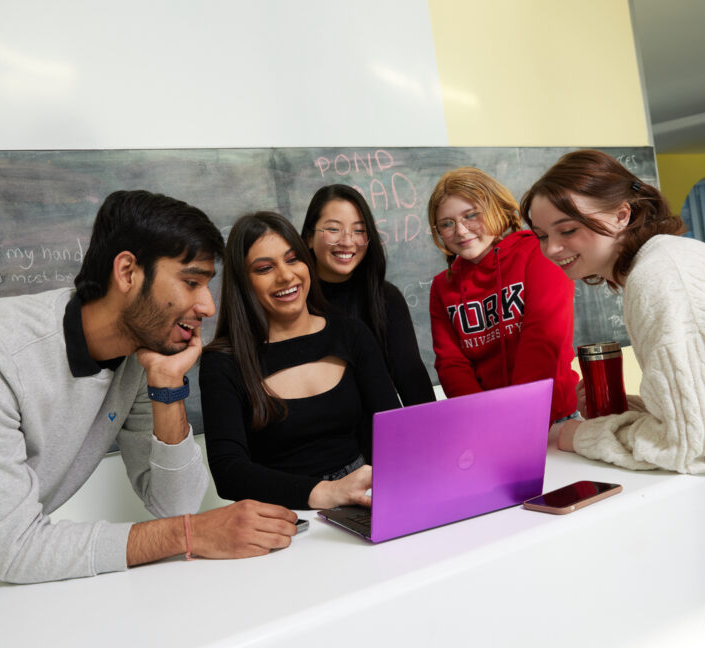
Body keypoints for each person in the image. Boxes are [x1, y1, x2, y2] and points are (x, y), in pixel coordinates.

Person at [0, 190, 300, 610]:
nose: (208, 307)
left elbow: (174, 503)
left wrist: (167, 386)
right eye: (192, 282)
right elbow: (17, 548)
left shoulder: (139, 357)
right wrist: (192, 536)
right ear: (127, 271)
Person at [521, 149, 705, 564]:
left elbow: (689, 445)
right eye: (543, 236)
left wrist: (579, 436)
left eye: (568, 230)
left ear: (622, 215)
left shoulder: (658, 278)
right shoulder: (673, 257)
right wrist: (629, 410)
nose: (552, 249)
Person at [199, 211, 401, 510]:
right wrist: (326, 493)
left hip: (363, 500)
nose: (286, 275)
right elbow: (229, 473)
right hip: (280, 513)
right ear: (244, 283)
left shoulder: (352, 334)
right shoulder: (223, 362)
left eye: (293, 259)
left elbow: (393, 433)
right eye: (265, 268)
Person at [427, 167, 578, 422]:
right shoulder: (442, 286)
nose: (461, 231)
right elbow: (451, 364)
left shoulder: (539, 252)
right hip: (489, 423)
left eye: (471, 215)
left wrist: (517, 414)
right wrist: (485, 419)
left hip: (553, 417)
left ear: (497, 208)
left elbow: (541, 341)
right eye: (447, 223)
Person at [300, 184, 435, 406]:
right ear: (308, 238)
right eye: (333, 229)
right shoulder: (295, 302)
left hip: (380, 435)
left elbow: (413, 383)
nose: (347, 241)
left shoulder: (385, 298)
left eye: (359, 230)